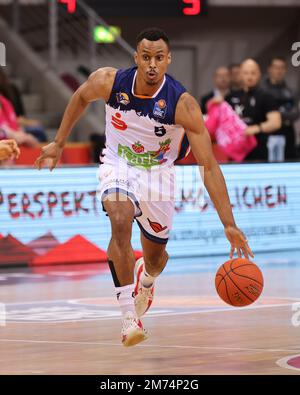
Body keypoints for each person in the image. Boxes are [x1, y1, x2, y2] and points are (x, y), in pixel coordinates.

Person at [35, 28, 253, 347]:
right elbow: (81, 96)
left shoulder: (183, 104)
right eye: (146, 57)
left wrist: (229, 223)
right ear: (136, 58)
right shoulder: (109, 81)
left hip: (159, 175)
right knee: (119, 219)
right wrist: (59, 142)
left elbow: (209, 166)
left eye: (159, 58)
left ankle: (147, 280)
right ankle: (129, 318)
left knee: (156, 259)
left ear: (168, 60)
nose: (152, 64)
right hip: (118, 163)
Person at [226, 59, 281, 161]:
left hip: (259, 150)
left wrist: (255, 129)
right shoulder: (230, 97)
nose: (249, 77)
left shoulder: (266, 96)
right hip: (235, 151)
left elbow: (276, 122)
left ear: (259, 74)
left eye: (253, 73)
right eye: (246, 73)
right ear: (240, 74)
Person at [261, 57, 299, 161]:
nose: (279, 70)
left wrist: (274, 114)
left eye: (282, 67)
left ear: (285, 70)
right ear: (269, 69)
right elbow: (260, 113)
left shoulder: (291, 91)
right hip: (268, 133)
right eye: (276, 67)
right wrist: (280, 113)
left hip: (287, 133)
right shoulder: (262, 91)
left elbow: (295, 113)